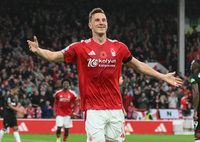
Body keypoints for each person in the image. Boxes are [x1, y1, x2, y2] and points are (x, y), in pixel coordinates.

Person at [27, 8, 182, 142]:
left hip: (115, 108)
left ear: (107, 24)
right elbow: (54, 56)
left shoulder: (119, 47)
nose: (101, 22)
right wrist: (38, 51)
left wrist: (162, 76)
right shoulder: (80, 48)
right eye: (97, 20)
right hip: (93, 109)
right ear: (90, 25)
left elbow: (139, 66)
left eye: (103, 20)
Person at [190, 59, 200, 142]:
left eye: (192, 64)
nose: (191, 66)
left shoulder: (194, 77)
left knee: (198, 132)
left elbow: (196, 92)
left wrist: (195, 110)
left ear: (196, 66)